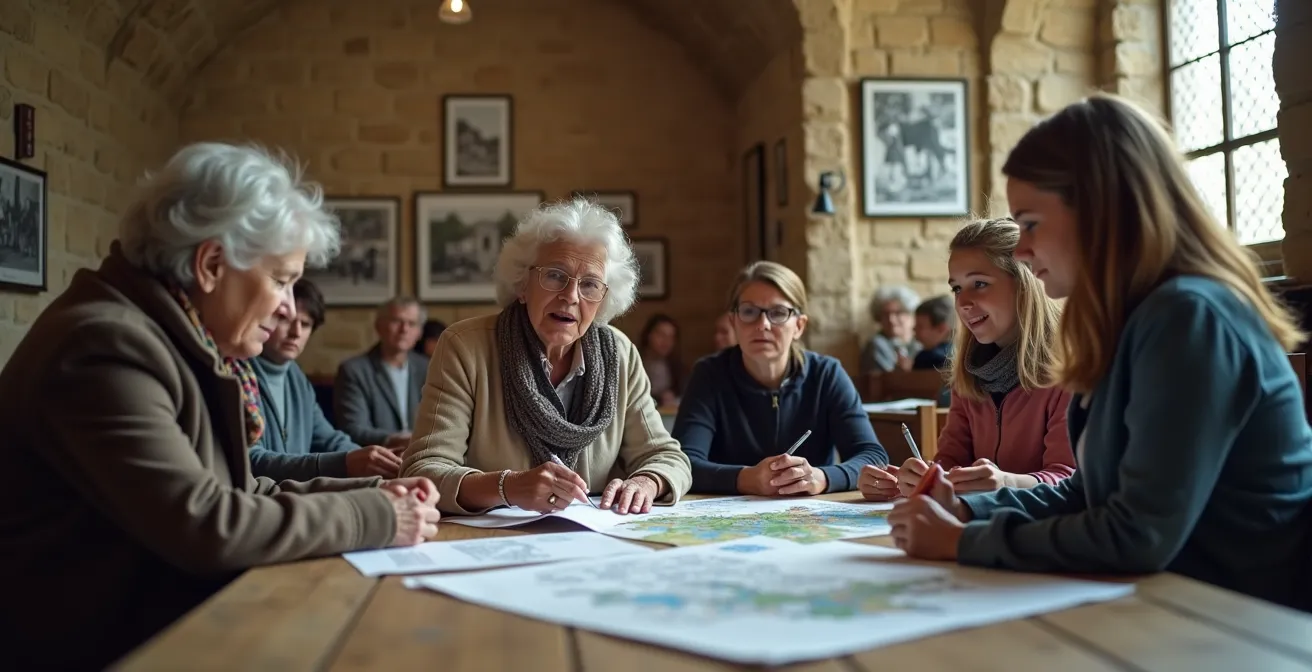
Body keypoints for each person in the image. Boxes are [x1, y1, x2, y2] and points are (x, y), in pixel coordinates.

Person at [0, 142, 441, 670]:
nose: (287, 309)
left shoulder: (177, 339)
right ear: (211, 264)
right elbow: (206, 523)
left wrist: (376, 490)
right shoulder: (105, 347)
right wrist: (378, 514)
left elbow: (241, 489)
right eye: (281, 280)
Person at [888, 94, 1312, 612]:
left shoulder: (1188, 318)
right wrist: (969, 509)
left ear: (1101, 210)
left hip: (1240, 617)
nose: (1021, 252)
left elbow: (1137, 533)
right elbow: (1087, 494)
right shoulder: (1132, 322)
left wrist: (962, 542)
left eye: (1031, 224)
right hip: (1167, 601)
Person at [400, 198, 693, 516]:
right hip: (492, 541)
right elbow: (423, 471)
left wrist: (647, 483)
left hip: (594, 540)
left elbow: (667, 456)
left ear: (603, 300)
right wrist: (507, 487)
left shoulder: (620, 354)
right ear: (523, 284)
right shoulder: (464, 347)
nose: (570, 296)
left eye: (590, 284)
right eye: (555, 275)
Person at [859, 218, 1075, 502]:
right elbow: (950, 461)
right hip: (978, 527)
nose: (962, 303)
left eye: (980, 284)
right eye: (957, 288)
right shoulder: (971, 370)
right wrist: (917, 478)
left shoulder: (1073, 369)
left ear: (1026, 283)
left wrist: (1007, 482)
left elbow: (1070, 479)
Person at [673, 261, 889, 496]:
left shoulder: (826, 374)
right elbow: (682, 464)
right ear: (733, 321)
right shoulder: (709, 374)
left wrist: (822, 478)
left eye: (778, 313)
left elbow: (873, 457)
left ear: (799, 325)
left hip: (811, 517)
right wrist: (747, 479)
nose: (763, 325)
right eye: (749, 311)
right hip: (728, 519)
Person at [249, 278, 405, 481]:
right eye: (284, 320)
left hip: (295, 496)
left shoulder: (296, 377)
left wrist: (379, 461)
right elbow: (252, 460)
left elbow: (329, 439)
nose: (296, 333)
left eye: (305, 324)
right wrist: (345, 463)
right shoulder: (240, 372)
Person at [334, 297, 431, 448]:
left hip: (423, 457)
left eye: (411, 324)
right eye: (396, 321)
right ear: (379, 326)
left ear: (419, 333)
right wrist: (397, 440)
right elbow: (354, 429)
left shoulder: (429, 367)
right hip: (377, 458)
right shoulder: (354, 370)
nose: (404, 329)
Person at [859, 285, 922, 374]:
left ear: (911, 315)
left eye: (898, 313)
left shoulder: (921, 342)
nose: (891, 319)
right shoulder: (877, 345)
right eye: (885, 314)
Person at [639, 313, 681, 406]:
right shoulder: (635, 362)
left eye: (671, 337)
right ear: (648, 335)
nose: (666, 341)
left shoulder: (676, 366)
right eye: (661, 335)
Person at [908, 295, 954, 370]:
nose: (914, 329)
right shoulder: (964, 354)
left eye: (920, 326)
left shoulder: (927, 358)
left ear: (941, 329)